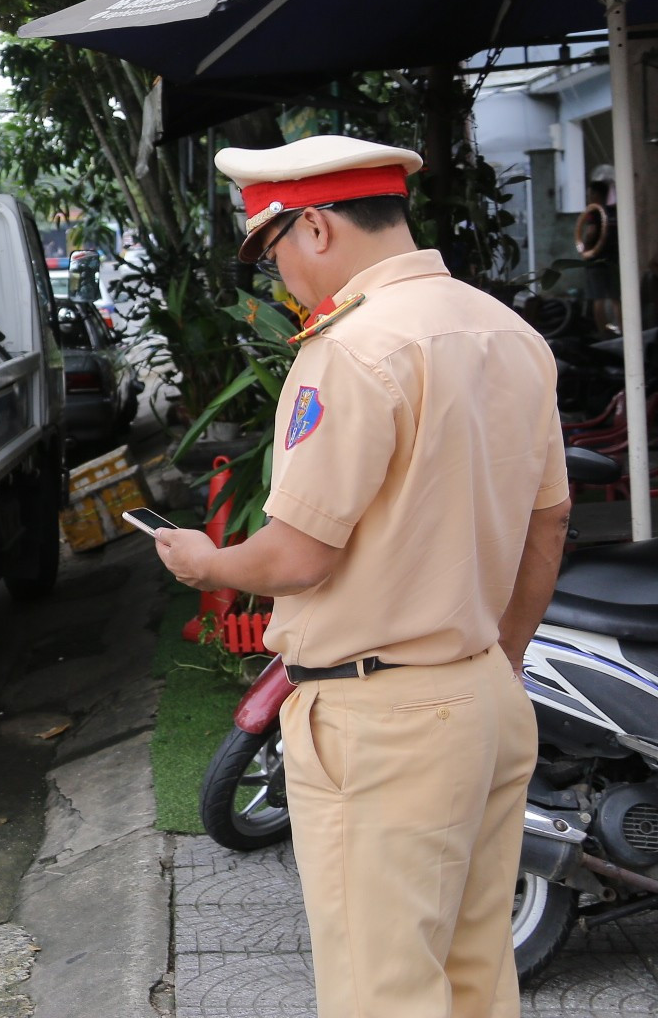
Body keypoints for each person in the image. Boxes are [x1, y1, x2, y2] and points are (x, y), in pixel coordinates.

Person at [154, 135, 569, 1018]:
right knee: (474, 974)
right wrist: (498, 657)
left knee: (382, 993)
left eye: (272, 254)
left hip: (381, 714)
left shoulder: (351, 348)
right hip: (485, 695)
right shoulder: (510, 332)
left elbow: (300, 554)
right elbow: (550, 520)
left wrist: (206, 562)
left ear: (313, 226)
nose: (280, 281)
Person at [576, 176, 620, 335]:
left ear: (596, 195)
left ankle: (603, 333)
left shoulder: (594, 213)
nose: (589, 197)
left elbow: (590, 232)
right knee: (617, 298)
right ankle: (623, 331)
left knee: (598, 298)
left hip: (596, 261)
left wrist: (585, 250)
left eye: (590, 194)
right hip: (614, 261)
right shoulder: (614, 212)